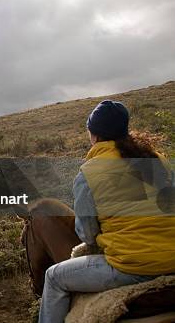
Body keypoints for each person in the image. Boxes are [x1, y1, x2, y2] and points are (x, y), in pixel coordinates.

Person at [38, 100, 175, 322]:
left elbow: (87, 234)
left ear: (94, 135)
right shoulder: (158, 159)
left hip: (134, 266)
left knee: (53, 277)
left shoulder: (88, 172)